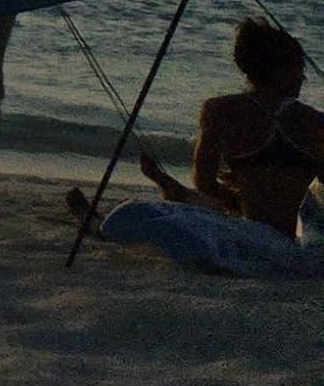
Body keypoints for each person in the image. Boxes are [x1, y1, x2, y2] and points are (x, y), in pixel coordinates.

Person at [136, 20, 324, 238]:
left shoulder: (221, 110)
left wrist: (242, 196)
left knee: (217, 201)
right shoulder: (315, 121)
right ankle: (176, 190)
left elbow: (204, 181)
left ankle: (176, 190)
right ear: (278, 71)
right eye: (298, 69)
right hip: (292, 237)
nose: (303, 78)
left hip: (252, 230)